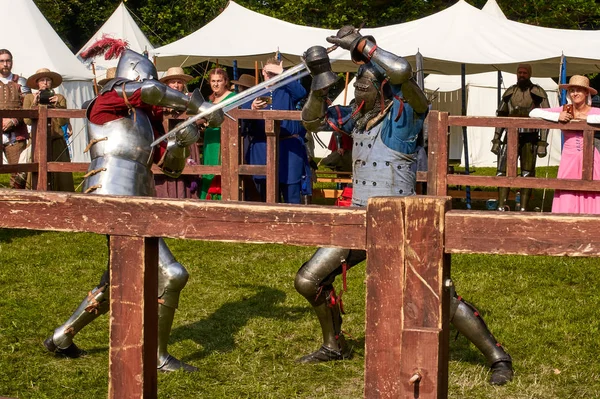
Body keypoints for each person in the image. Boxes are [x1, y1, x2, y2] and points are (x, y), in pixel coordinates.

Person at [295, 26, 513, 386]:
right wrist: (320, 81)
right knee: (308, 280)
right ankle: (335, 345)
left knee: (441, 294)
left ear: (381, 87)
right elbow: (311, 120)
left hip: (405, 220)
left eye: (364, 84)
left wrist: (363, 47)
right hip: (360, 218)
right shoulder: (358, 117)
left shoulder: (406, 114)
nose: (358, 90)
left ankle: (497, 356)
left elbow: (400, 72)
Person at [43, 44, 224, 373]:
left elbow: (169, 168)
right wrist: (195, 102)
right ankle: (157, 357)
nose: (153, 84)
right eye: (147, 77)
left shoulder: (146, 124)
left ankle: (61, 337)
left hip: (138, 201)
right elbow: (152, 91)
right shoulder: (107, 102)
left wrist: (184, 140)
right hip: (111, 195)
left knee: (117, 277)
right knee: (172, 273)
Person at [530, 75, 600, 213]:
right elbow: (533, 112)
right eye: (572, 90)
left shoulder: (594, 110)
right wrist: (558, 116)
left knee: (593, 190)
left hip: (591, 156)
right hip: (569, 157)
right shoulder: (565, 109)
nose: (575, 93)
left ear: (586, 93)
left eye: (579, 90)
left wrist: (586, 119)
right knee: (567, 192)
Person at [247, 57, 310, 203]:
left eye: (273, 73)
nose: (270, 76)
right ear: (263, 72)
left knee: (291, 197)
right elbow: (241, 109)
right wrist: (252, 108)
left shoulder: (288, 91)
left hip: (289, 150)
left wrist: (283, 73)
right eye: (268, 72)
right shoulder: (255, 92)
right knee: (264, 196)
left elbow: (301, 93)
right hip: (263, 149)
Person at [492, 64, 550, 211]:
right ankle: (501, 205)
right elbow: (501, 115)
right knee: (502, 170)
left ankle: (523, 207)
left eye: (524, 73)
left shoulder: (537, 92)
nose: (522, 75)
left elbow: (546, 116)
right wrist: (496, 139)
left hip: (529, 136)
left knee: (527, 172)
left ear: (529, 74)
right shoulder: (510, 92)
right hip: (510, 135)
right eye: (519, 72)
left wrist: (542, 142)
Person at [22, 68, 74, 192]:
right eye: (42, 80)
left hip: (56, 141)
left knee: (61, 176)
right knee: (35, 172)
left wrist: (58, 106)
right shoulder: (29, 97)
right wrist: (34, 104)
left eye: (48, 80)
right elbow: (27, 121)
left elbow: (63, 122)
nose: (45, 82)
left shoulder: (59, 98)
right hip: (37, 140)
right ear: (37, 83)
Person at [154, 66, 201, 199]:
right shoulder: (159, 100)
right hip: (164, 141)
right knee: (163, 176)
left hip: (186, 141)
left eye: (179, 82)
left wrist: (188, 117)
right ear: (167, 84)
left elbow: (204, 114)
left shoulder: (190, 99)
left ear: (183, 84)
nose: (176, 85)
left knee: (184, 177)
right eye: (172, 82)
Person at [200, 68, 237, 200]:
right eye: (213, 81)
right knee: (208, 169)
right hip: (210, 139)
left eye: (219, 81)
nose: (216, 84)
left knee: (221, 168)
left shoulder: (232, 98)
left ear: (225, 82)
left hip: (223, 140)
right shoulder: (210, 101)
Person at [0, 49, 30, 189]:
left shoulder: (21, 82)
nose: (5, 64)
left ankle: (17, 203)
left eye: (8, 61)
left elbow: (28, 106)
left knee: (19, 173)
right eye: (2, 61)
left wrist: (14, 120)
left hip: (17, 133)